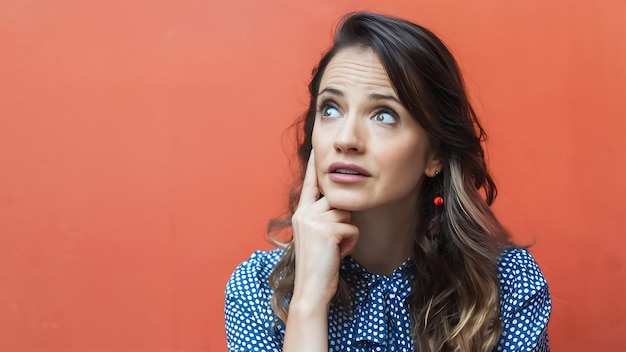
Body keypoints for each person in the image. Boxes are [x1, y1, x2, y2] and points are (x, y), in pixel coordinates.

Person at [225, 11, 551, 352]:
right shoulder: (259, 288)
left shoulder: (507, 285)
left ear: (434, 155)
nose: (346, 138)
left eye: (384, 115)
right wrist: (307, 303)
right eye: (331, 109)